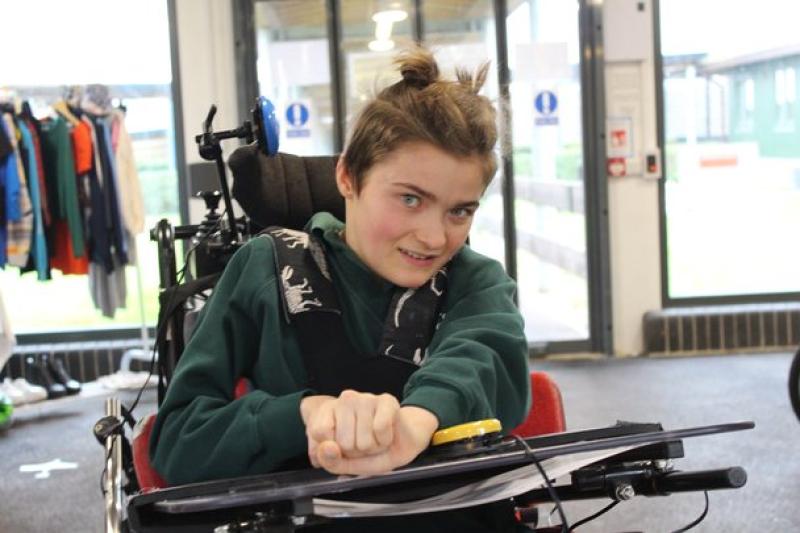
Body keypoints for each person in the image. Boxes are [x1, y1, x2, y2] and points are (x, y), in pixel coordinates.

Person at [150, 47, 531, 531]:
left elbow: (479, 360)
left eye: (460, 211)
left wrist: (414, 422)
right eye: (411, 199)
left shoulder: (477, 282)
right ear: (348, 176)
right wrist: (305, 414)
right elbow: (180, 440)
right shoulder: (264, 269)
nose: (436, 237)